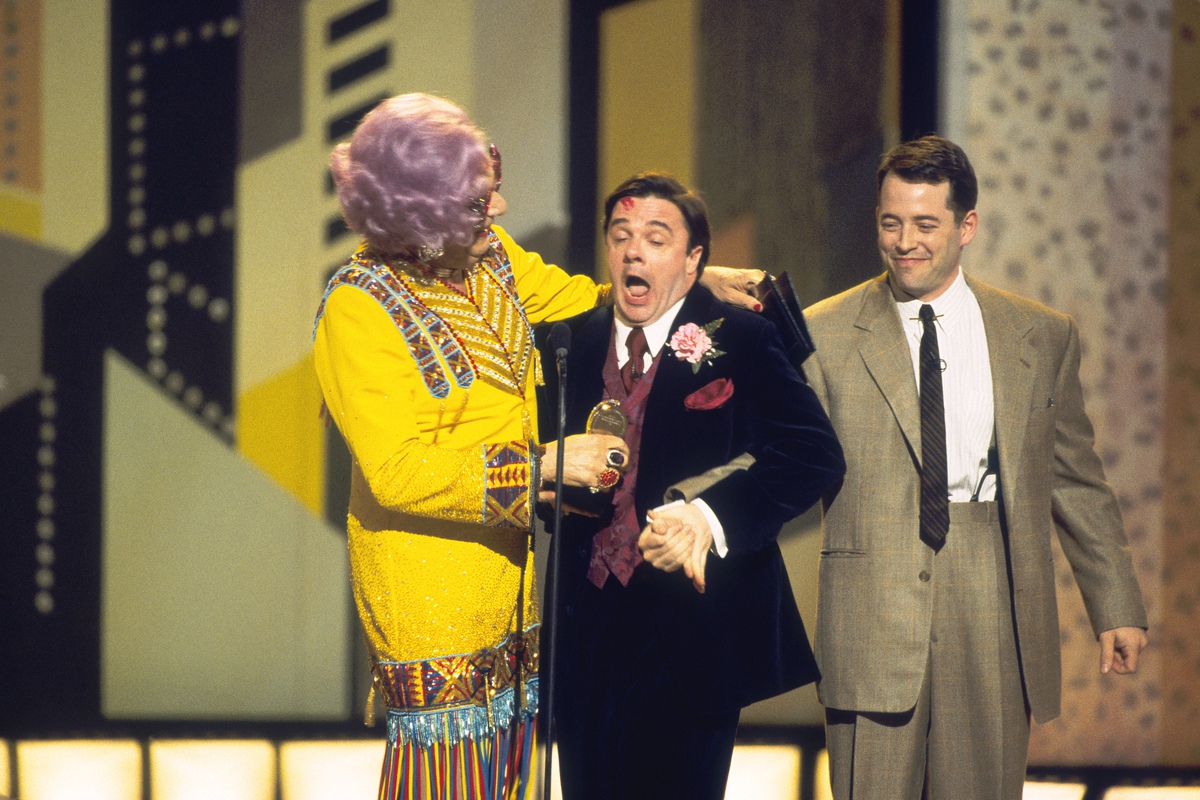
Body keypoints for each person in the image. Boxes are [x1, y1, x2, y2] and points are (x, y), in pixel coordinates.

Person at [312, 94, 763, 800]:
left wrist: (691, 279)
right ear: (418, 216)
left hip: (511, 583)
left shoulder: (490, 263)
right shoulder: (357, 307)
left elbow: (586, 300)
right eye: (475, 203)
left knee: (508, 778)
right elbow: (396, 470)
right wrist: (549, 462)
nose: (496, 210)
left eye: (490, 191)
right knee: (448, 780)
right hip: (428, 593)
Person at [802, 134, 1148, 799]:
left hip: (994, 599)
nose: (905, 241)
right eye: (890, 222)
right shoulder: (825, 332)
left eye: (925, 224)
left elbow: (1076, 479)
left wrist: (1117, 605)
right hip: (873, 606)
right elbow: (783, 460)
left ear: (967, 226)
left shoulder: (1040, 335)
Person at [536, 172, 845, 800]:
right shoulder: (565, 345)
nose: (633, 252)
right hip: (587, 635)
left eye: (655, 237)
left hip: (696, 634)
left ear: (693, 259)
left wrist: (707, 517)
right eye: (620, 236)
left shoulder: (743, 339)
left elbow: (813, 454)